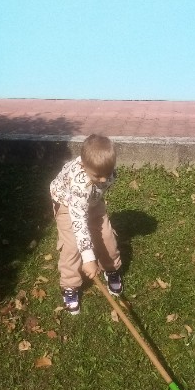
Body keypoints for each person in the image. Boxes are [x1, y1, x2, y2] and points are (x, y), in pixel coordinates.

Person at [50, 134, 123, 314]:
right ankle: (70, 285)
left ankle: (111, 269)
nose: (104, 180)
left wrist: (97, 187)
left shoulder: (104, 170)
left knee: (106, 235)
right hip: (67, 204)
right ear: (83, 165)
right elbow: (79, 222)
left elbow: (101, 181)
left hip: (92, 202)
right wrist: (89, 258)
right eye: (99, 175)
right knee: (72, 245)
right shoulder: (79, 183)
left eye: (108, 174)